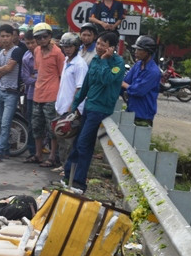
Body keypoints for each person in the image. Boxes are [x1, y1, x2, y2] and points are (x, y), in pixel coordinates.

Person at [63, 31, 126, 192]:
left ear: (111, 48)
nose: (98, 47)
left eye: (102, 45)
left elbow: (107, 80)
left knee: (83, 143)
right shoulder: (95, 60)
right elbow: (86, 84)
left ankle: (79, 182)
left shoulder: (118, 64)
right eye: (98, 44)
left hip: (101, 109)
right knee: (79, 142)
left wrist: (105, 60)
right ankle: (68, 176)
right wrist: (76, 103)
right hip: (89, 107)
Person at [31, 22, 66, 167]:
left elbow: (62, 75)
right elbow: (38, 70)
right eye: (38, 38)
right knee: (36, 126)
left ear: (50, 36)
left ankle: (52, 157)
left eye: (44, 37)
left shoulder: (58, 53)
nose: (41, 40)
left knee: (52, 128)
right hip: (38, 93)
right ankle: (38, 154)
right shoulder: (37, 51)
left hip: (52, 95)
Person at [55, 32, 89, 165]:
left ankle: (67, 169)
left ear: (76, 46)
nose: (67, 49)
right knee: (61, 139)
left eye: (70, 47)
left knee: (70, 141)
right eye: (65, 47)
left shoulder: (79, 65)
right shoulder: (66, 61)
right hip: (62, 107)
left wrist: (71, 108)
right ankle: (63, 166)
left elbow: (79, 88)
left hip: (72, 110)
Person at [0, 23, 25, 162]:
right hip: (0, 91)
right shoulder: (1, 53)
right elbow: (0, 71)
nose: (5, 39)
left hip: (12, 92)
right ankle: (5, 150)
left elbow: (9, 69)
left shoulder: (17, 51)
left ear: (13, 36)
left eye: (7, 36)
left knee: (5, 123)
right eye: (2, 36)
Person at [122, 35, 162, 126]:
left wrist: (123, 84)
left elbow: (138, 91)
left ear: (148, 52)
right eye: (136, 49)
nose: (136, 52)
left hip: (143, 116)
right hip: (130, 110)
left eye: (139, 50)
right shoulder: (138, 65)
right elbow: (126, 80)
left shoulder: (153, 72)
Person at [20, 31, 40, 163]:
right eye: (28, 43)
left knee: (44, 124)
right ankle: (33, 152)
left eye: (33, 42)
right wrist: (40, 78)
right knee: (32, 124)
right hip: (31, 94)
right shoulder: (26, 58)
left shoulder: (45, 55)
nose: (31, 45)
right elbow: (26, 79)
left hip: (47, 94)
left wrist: (36, 77)